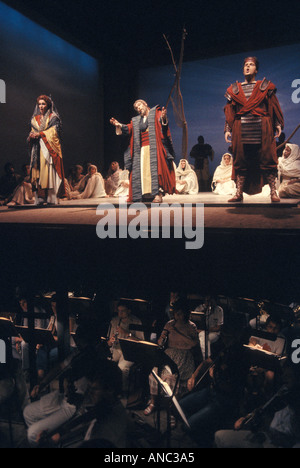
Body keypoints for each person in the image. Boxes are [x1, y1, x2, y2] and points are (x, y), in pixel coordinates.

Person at [224, 57, 284, 203]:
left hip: (262, 128)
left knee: (268, 159)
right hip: (241, 128)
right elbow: (230, 111)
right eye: (245, 65)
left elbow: (272, 105)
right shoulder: (234, 89)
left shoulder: (265, 86)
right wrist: (227, 128)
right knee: (241, 161)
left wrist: (277, 123)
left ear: (256, 69)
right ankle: (239, 193)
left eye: (251, 65)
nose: (247, 67)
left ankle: (273, 192)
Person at [179, 323, 249, 448]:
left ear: (237, 336)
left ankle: (205, 439)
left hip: (224, 399)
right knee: (180, 406)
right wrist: (194, 376)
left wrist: (216, 376)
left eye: (229, 337)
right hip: (212, 391)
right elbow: (208, 361)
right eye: (224, 336)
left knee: (189, 425)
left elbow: (232, 387)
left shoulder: (241, 355)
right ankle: (203, 430)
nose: (225, 340)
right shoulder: (223, 345)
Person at [144, 299, 200, 423]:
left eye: (181, 313)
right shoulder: (169, 324)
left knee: (171, 381)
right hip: (169, 353)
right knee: (154, 375)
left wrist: (178, 333)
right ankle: (153, 402)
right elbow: (160, 342)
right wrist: (163, 337)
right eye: (176, 313)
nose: (178, 316)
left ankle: (172, 411)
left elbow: (194, 344)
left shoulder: (191, 326)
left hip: (184, 356)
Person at [110, 99, 176, 203]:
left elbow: (163, 126)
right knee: (143, 172)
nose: (138, 108)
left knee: (155, 171)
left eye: (139, 105)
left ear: (145, 104)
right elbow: (128, 128)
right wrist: (119, 124)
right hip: (141, 150)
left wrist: (163, 118)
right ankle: (146, 195)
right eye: (136, 108)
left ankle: (157, 194)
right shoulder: (136, 120)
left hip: (154, 148)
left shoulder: (156, 113)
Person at [28, 94, 66, 205]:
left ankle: (50, 197)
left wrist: (40, 134)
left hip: (48, 150)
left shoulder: (53, 117)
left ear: (48, 104)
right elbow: (32, 131)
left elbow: (54, 132)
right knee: (38, 172)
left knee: (48, 172)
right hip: (37, 149)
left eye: (43, 104)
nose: (41, 106)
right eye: (39, 104)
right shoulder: (35, 119)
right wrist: (31, 135)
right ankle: (40, 197)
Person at [107, 300, 144, 394]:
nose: (120, 313)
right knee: (107, 362)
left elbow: (140, 342)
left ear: (129, 311)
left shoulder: (136, 321)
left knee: (122, 367)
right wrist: (110, 341)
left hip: (130, 349)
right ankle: (108, 388)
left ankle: (124, 391)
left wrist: (127, 334)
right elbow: (108, 341)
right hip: (117, 348)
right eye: (118, 311)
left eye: (123, 311)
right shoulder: (114, 321)